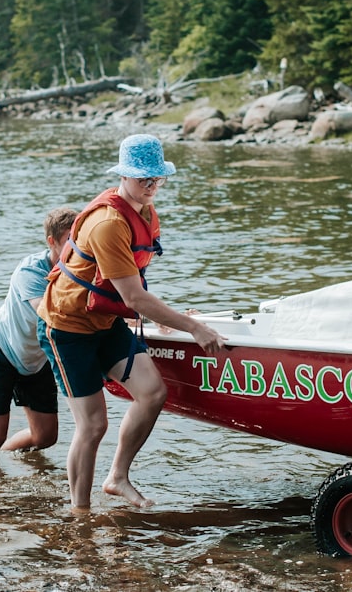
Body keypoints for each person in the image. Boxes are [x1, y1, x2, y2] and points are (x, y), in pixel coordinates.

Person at [37, 134, 227, 509]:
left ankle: (117, 477)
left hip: (105, 322)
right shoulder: (108, 223)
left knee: (153, 393)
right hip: (68, 327)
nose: (152, 185)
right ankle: (80, 513)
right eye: (144, 179)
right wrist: (194, 327)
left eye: (157, 179)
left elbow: (132, 286)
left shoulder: (144, 211)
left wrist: (170, 318)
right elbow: (133, 296)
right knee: (92, 425)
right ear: (124, 176)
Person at [0, 207, 79, 462]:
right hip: (0, 350)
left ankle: (7, 459)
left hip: (35, 358)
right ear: (51, 242)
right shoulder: (31, 271)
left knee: (45, 437)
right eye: (68, 241)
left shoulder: (80, 271)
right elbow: (48, 313)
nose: (76, 248)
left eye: (80, 240)